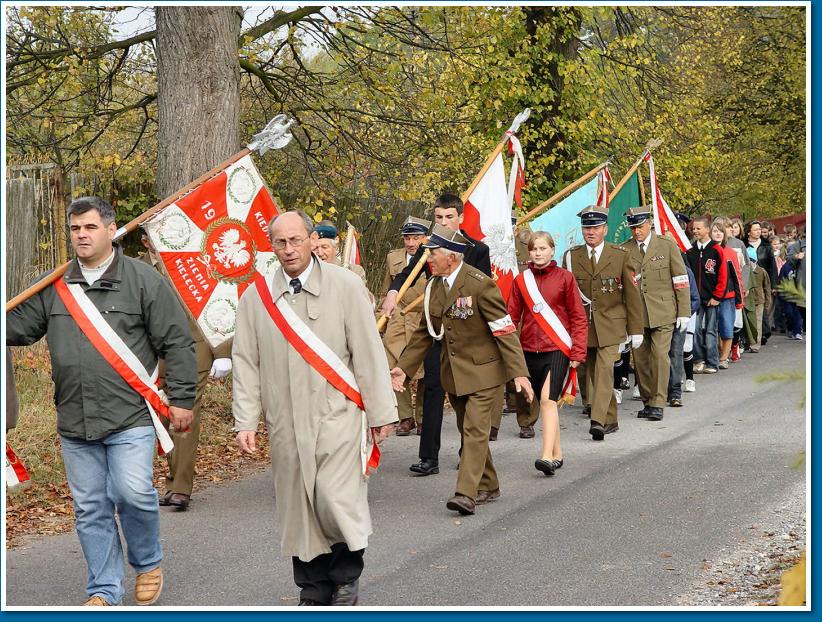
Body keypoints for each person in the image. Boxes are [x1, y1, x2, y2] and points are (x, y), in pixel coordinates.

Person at [7, 196, 196, 606]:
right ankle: (104, 589)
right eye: (75, 229)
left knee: (132, 493)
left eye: (90, 227)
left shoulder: (143, 280)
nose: (81, 236)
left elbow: (177, 341)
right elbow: (18, 330)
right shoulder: (53, 284)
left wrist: (181, 398)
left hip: (130, 416)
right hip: (74, 420)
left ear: (111, 230)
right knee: (91, 508)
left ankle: (147, 563)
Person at [232, 210, 397, 606]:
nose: (289, 250)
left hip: (337, 414)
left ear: (311, 240)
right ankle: (313, 587)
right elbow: (246, 361)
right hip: (285, 420)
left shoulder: (345, 285)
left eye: (296, 240)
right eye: (280, 242)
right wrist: (245, 419)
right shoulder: (256, 297)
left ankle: (344, 577)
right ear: (271, 246)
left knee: (333, 497)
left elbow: (368, 352)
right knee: (298, 505)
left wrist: (381, 414)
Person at [390, 225, 533, 515]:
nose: (427, 258)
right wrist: (403, 369)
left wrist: (519, 373)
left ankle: (465, 493)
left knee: (474, 430)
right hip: (453, 375)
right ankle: (489, 484)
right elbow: (424, 334)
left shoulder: (480, 284)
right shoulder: (434, 286)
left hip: (484, 374)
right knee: (471, 433)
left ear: (452, 257)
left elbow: (504, 331)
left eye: (433, 254)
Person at [380, 193, 492, 476]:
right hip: (436, 328)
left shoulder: (476, 249)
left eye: (449, 217)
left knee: (465, 394)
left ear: (460, 218)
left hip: (466, 332)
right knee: (432, 388)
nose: (443, 222)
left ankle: (470, 452)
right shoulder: (428, 246)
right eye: (438, 217)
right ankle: (429, 456)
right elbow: (406, 273)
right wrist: (394, 292)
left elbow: (485, 290)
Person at [139, 233, 232, 511]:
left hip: (193, 345)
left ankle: (180, 487)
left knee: (185, 410)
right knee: (157, 416)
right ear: (146, 241)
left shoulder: (191, 263)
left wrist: (223, 351)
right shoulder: (135, 269)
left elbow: (217, 304)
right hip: (149, 352)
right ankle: (161, 481)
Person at [507, 231, 586, 475]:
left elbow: (578, 317)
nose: (538, 253)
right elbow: (511, 316)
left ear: (552, 250)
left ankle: (546, 457)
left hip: (557, 348)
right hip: (529, 349)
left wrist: (578, 352)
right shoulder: (521, 281)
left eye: (543, 248)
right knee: (543, 402)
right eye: (534, 249)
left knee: (547, 401)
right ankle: (558, 453)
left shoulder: (565, 278)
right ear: (529, 252)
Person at [562, 204, 643, 441]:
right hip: (584, 325)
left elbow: (632, 295)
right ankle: (611, 419)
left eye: (596, 227)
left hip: (611, 325)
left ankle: (597, 420)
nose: (591, 231)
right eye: (587, 227)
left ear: (605, 229)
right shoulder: (571, 256)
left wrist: (636, 329)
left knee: (605, 369)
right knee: (593, 373)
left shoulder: (620, 255)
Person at [624, 207, 691, 421]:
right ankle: (648, 400)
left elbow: (680, 279)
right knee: (641, 360)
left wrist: (684, 312)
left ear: (649, 224)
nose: (636, 232)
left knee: (660, 356)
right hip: (637, 314)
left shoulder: (666, 245)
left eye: (640, 226)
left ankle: (659, 402)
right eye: (633, 227)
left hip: (664, 312)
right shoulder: (624, 250)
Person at [379, 216, 431, 436]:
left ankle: (422, 417)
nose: (411, 243)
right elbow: (387, 288)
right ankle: (405, 416)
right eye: (407, 238)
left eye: (416, 238)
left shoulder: (432, 255)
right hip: (398, 319)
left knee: (424, 371)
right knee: (393, 366)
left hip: (422, 317)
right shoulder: (393, 258)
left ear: (424, 238)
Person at [506, 215, 540, 438]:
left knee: (523, 367)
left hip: (522, 315)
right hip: (495, 311)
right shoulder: (484, 247)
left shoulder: (525, 248)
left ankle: (526, 418)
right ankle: (491, 423)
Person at [665, 213, 701, 408]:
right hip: (659, 318)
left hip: (678, 319)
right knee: (658, 355)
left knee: (675, 354)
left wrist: (685, 314)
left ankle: (675, 392)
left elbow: (694, 298)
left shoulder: (685, 271)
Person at [685, 216, 727, 375]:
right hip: (695, 298)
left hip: (711, 298)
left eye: (698, 228)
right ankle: (698, 359)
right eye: (693, 228)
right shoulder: (690, 250)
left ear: (707, 229)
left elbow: (723, 275)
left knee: (710, 329)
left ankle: (712, 361)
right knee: (695, 329)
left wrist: (717, 296)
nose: (695, 231)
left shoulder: (716, 250)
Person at [710, 218, 744, 369]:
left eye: (720, 231)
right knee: (711, 328)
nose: (717, 234)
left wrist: (739, 299)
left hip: (727, 297)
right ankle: (716, 353)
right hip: (710, 297)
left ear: (725, 234)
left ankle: (724, 357)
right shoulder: (706, 252)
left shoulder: (730, 252)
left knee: (726, 326)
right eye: (714, 231)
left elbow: (737, 277)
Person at [743, 246, 772, 353]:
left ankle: (755, 344)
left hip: (759, 300)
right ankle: (747, 342)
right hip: (746, 300)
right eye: (748, 260)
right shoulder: (744, 271)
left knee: (758, 322)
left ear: (755, 260)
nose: (750, 263)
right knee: (748, 322)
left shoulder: (762, 271)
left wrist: (768, 302)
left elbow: (767, 287)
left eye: (751, 260)